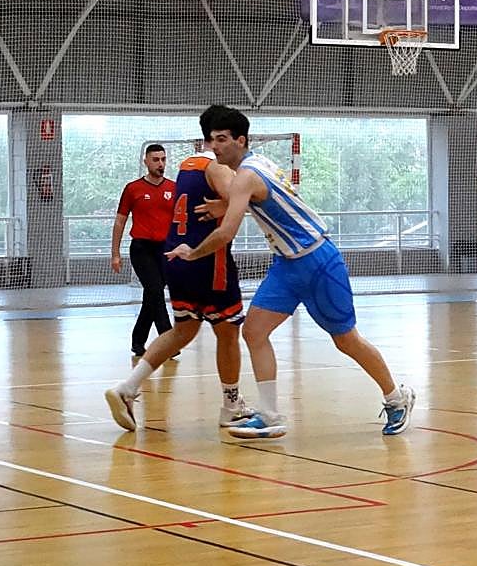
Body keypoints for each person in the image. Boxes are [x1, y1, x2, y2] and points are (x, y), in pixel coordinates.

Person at [166, 106, 414, 440]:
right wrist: (226, 204)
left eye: (222, 139)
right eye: (211, 140)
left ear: (241, 140)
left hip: (317, 261)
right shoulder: (257, 165)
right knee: (253, 332)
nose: (216, 147)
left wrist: (192, 252)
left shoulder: (245, 176)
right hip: (286, 266)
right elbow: (265, 199)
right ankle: (269, 416)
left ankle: (397, 398)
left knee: (346, 340)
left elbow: (226, 233)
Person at [105, 108, 255, 432]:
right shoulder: (219, 169)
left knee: (183, 331)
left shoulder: (188, 165)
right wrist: (228, 203)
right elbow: (241, 200)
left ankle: (127, 388)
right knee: (228, 331)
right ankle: (232, 405)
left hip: (177, 259)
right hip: (207, 262)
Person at [111, 143, 177, 357]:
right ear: (146, 161)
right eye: (156, 160)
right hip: (141, 248)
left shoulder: (173, 188)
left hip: (165, 249)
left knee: (152, 295)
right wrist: (115, 253)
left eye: (163, 159)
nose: (161, 164)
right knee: (156, 290)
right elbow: (120, 221)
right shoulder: (133, 189)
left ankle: (138, 342)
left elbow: (180, 221)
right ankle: (168, 341)